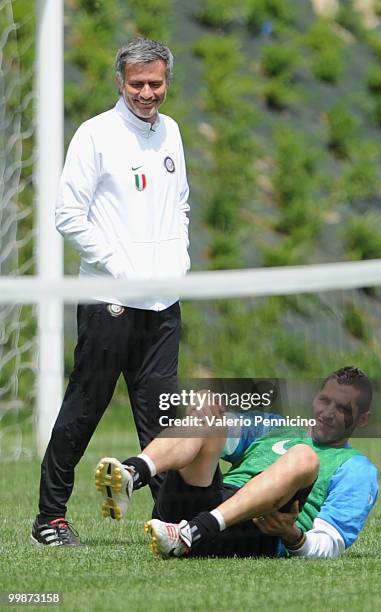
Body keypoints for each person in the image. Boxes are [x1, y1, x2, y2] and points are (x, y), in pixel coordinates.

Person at [31, 37, 190, 547]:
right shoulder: (95, 135)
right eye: (138, 83)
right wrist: (119, 267)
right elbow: (67, 215)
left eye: (156, 83)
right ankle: (49, 520)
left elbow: (181, 204)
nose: (147, 93)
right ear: (120, 82)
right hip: (110, 302)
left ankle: (170, 519)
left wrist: (177, 261)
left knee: (163, 415)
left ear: (167, 81)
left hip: (163, 303)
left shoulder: (173, 133)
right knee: (86, 405)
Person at [95, 366, 378, 559]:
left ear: (362, 419)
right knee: (210, 416)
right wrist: (203, 403)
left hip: (256, 530)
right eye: (324, 400)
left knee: (305, 457)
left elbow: (331, 542)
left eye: (342, 408)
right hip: (199, 502)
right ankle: (133, 472)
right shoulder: (276, 426)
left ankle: (193, 532)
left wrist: (292, 536)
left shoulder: (357, 468)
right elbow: (213, 428)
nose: (328, 412)